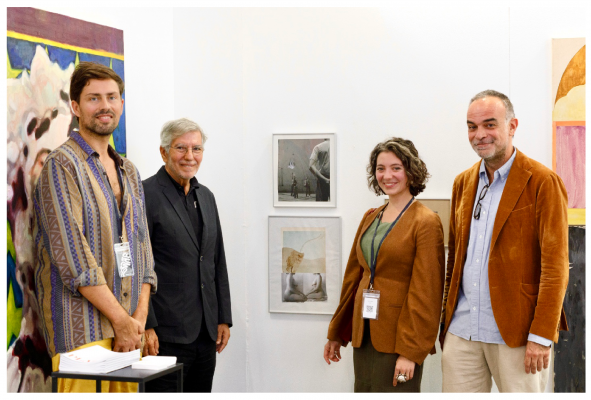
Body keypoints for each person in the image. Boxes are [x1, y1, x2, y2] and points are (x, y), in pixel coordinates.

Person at [32, 62, 157, 393]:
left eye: (112, 97)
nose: (105, 106)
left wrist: (137, 321)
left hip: (128, 332)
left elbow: (143, 251)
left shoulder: (128, 171)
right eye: (94, 98)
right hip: (81, 332)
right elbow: (75, 261)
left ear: (121, 103)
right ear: (75, 107)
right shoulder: (61, 166)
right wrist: (122, 321)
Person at [439, 90, 569, 393]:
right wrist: (445, 325)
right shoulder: (462, 183)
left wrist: (541, 335)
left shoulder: (542, 181)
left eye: (490, 124)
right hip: (462, 332)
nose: (479, 134)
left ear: (512, 126)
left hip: (519, 335)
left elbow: (556, 267)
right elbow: (455, 260)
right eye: (472, 126)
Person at [324, 138, 444, 392]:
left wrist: (410, 352)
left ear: (411, 171)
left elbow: (427, 293)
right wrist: (337, 333)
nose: (387, 175)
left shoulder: (426, 222)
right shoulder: (371, 217)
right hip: (364, 334)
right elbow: (352, 279)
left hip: (399, 341)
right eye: (380, 168)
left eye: (396, 168)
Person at [142, 118, 232, 393]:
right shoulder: (144, 194)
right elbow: (134, 264)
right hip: (164, 335)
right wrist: (145, 324)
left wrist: (223, 316)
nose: (190, 157)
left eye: (197, 149)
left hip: (205, 334)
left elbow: (216, 260)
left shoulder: (206, 196)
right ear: (164, 152)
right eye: (181, 148)